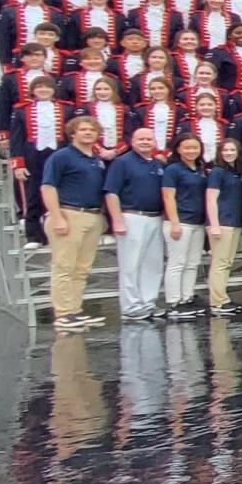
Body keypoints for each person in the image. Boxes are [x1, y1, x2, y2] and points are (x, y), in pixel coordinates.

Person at [38, 114, 109, 331]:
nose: (88, 133)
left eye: (92, 130)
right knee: (64, 267)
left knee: (81, 268)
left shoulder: (96, 159)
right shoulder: (62, 157)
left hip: (92, 215)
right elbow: (48, 187)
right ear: (73, 133)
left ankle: (75, 310)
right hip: (69, 214)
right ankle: (62, 313)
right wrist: (57, 217)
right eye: (83, 129)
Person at [104, 126, 168, 321]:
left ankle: (148, 303)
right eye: (141, 139)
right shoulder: (122, 163)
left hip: (155, 217)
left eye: (149, 139)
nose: (145, 142)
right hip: (132, 217)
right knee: (131, 264)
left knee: (153, 264)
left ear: (155, 142)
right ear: (132, 141)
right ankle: (131, 306)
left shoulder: (158, 164)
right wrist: (117, 220)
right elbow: (111, 192)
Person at [159, 132, 212, 317]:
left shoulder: (200, 169)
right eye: (187, 147)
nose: (191, 151)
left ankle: (187, 297)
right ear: (178, 149)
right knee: (177, 263)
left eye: (195, 147)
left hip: (197, 223)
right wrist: (174, 222)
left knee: (192, 263)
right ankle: (174, 302)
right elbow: (168, 196)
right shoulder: (173, 170)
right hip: (180, 221)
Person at [203, 136, 242, 315]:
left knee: (227, 262)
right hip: (222, 222)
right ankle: (217, 302)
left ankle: (222, 297)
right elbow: (211, 198)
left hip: (234, 222)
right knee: (220, 263)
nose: (229, 153)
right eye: (225, 150)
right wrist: (214, 224)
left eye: (232, 150)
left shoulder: (236, 172)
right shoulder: (217, 172)